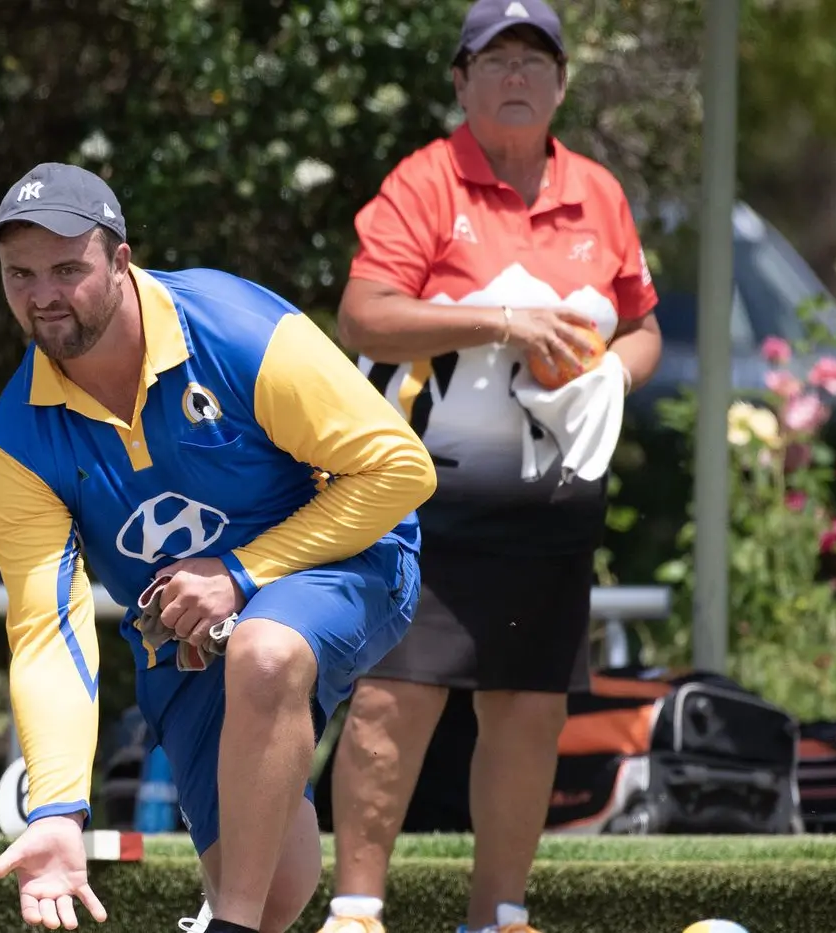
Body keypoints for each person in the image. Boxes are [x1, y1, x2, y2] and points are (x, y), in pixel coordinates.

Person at [0, 161, 437, 933]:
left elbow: (399, 469)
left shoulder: (235, 328)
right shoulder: (16, 440)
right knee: (278, 888)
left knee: (265, 649)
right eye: (19, 273)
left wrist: (239, 572)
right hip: (186, 640)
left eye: (67, 268)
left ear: (120, 261)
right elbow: (46, 631)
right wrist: (58, 807)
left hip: (352, 557)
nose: (43, 294)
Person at [316, 2, 664, 932]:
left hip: (553, 505)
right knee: (393, 695)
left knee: (530, 708)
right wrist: (504, 322)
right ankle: (356, 910)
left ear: (561, 83)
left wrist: (609, 382)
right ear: (461, 82)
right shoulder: (426, 182)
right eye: (495, 59)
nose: (517, 76)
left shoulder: (598, 192)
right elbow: (365, 316)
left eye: (535, 61)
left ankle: (500, 915)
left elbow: (643, 326)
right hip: (420, 493)